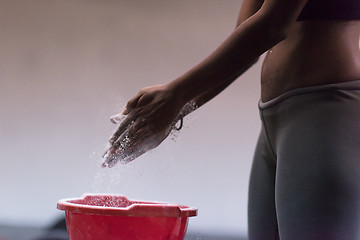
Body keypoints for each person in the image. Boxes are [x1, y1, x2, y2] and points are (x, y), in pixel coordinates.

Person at [103, 0, 360, 239]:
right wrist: (171, 111)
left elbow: (272, 25)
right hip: (274, 121)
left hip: (323, 114)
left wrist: (175, 96)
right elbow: (246, 35)